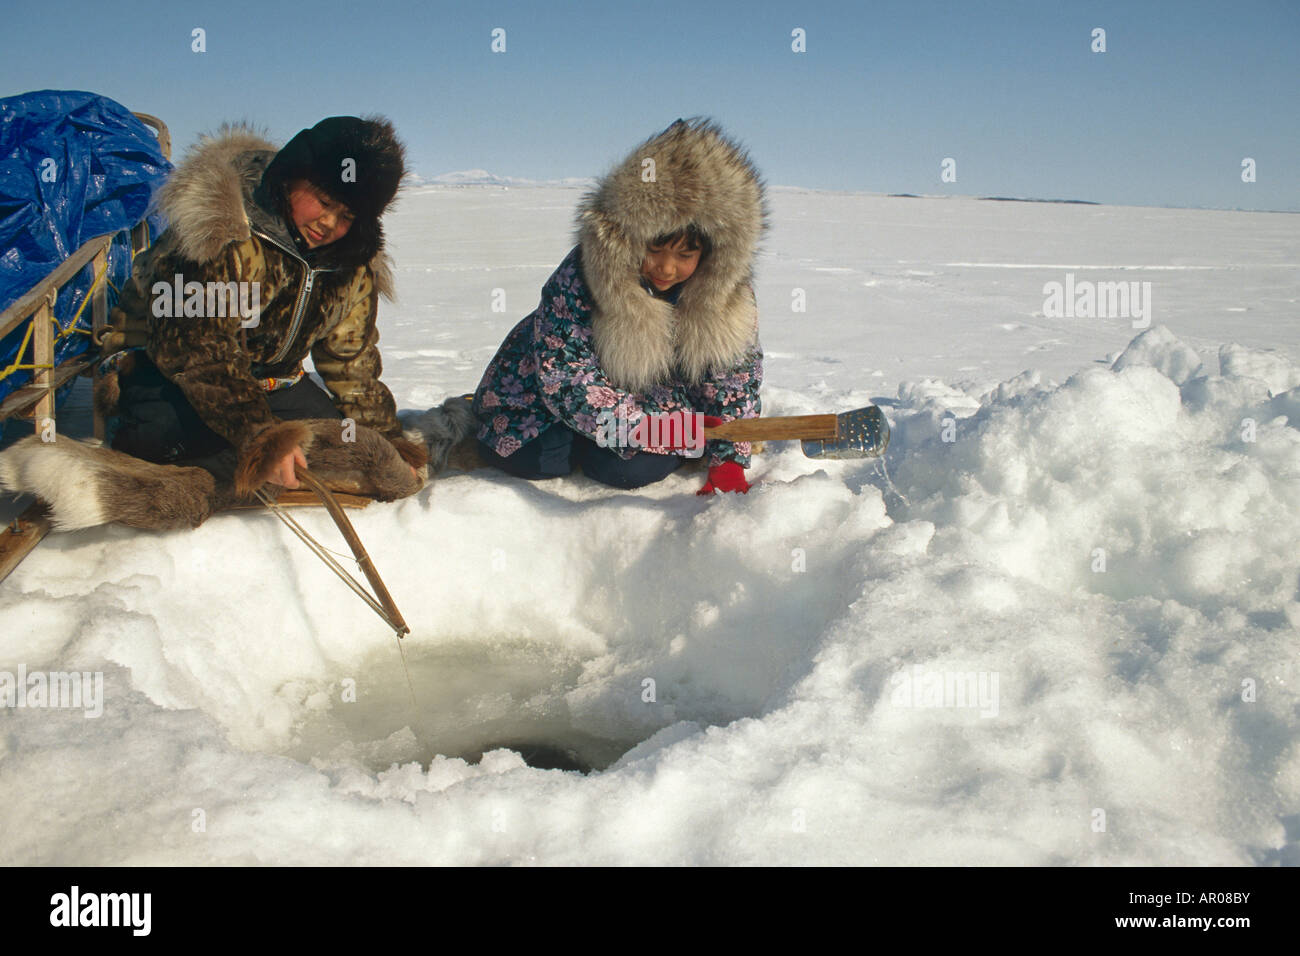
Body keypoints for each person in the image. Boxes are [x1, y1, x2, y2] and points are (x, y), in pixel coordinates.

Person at [101, 115, 426, 494]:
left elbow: (351, 361)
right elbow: (197, 354)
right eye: (324, 202)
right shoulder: (220, 230)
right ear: (292, 176)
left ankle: (239, 459)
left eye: (348, 216)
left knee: (344, 443)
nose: (328, 222)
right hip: (167, 372)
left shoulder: (350, 263)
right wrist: (259, 437)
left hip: (275, 381)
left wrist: (388, 439)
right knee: (159, 438)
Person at [472, 118, 765, 492]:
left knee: (629, 470)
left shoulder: (726, 294)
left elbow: (736, 381)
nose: (666, 268)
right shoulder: (584, 275)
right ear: (630, 238)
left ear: (710, 254)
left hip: (652, 399)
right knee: (532, 456)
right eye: (654, 249)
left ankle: (607, 441)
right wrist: (640, 428)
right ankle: (583, 436)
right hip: (541, 392)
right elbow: (565, 373)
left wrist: (729, 458)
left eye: (685, 254)